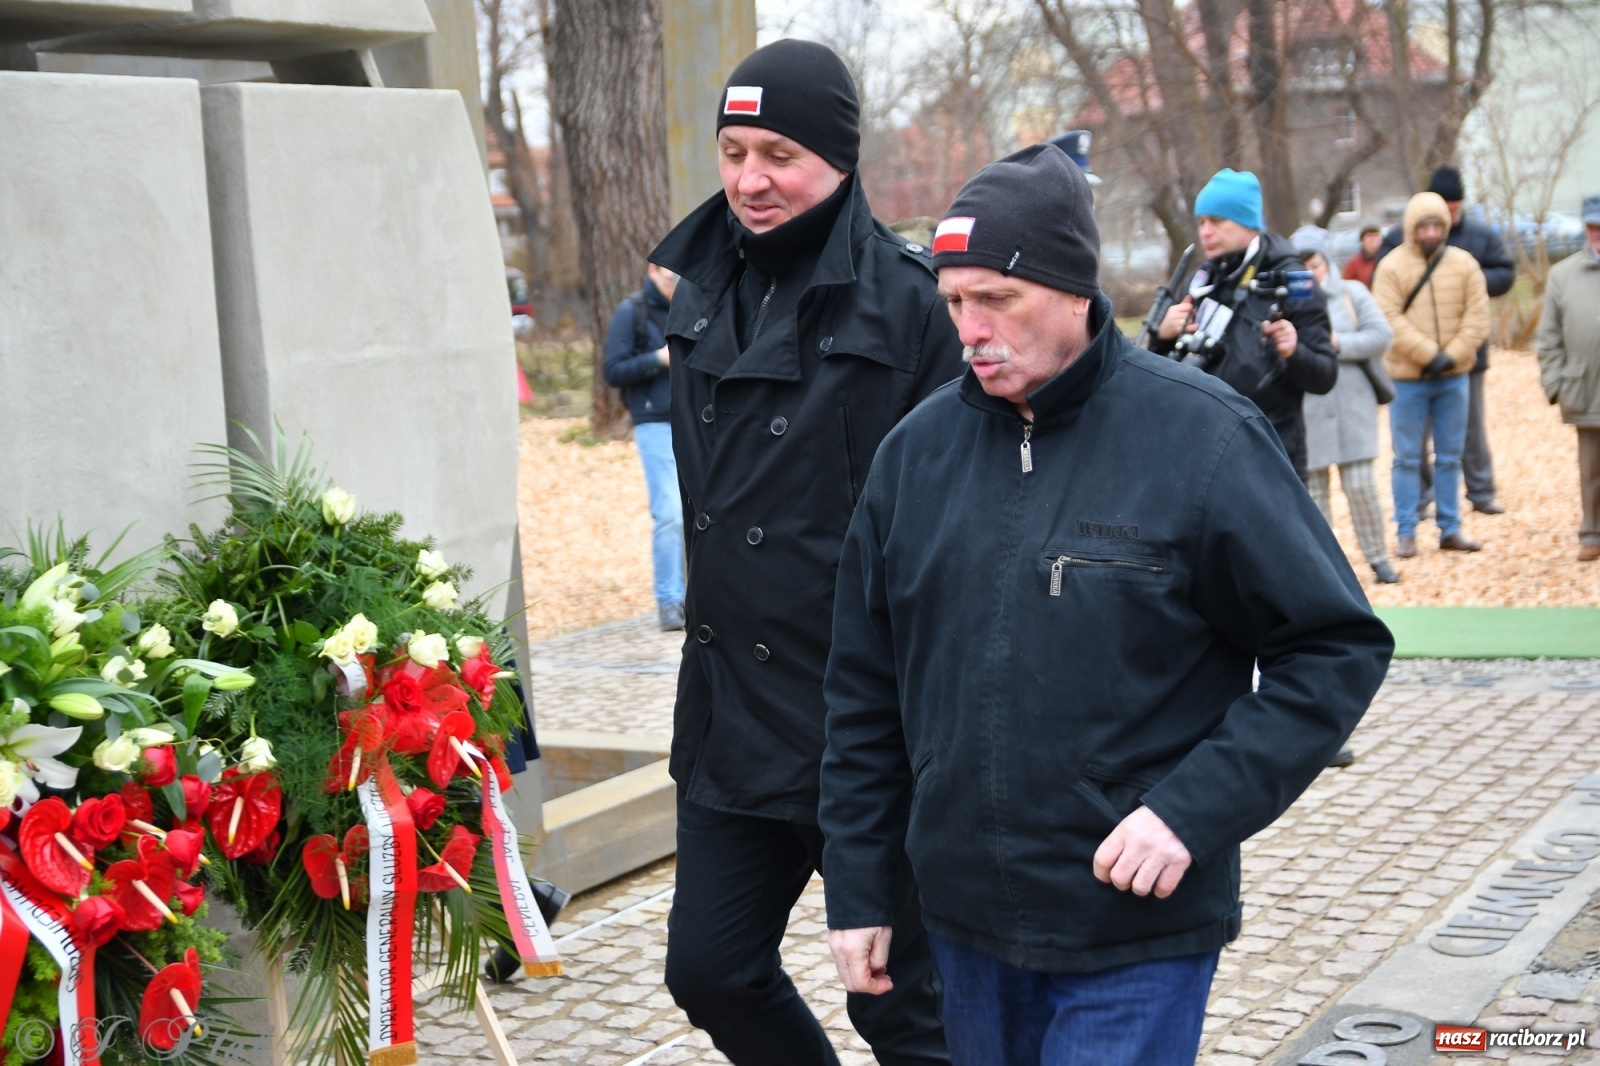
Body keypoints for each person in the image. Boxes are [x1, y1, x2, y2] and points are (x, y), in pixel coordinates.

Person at [818, 145, 1393, 1066]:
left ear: (1075, 288)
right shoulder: (913, 456)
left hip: (1135, 927)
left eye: (997, 299)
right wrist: (858, 885)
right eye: (954, 301)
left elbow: (1334, 647)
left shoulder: (1203, 436)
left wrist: (1192, 812)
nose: (970, 330)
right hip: (962, 922)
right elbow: (862, 690)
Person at [647, 38, 962, 1066]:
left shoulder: (913, 304)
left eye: (779, 154)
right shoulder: (697, 288)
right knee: (709, 969)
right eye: (734, 152)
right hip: (732, 718)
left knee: (901, 1010)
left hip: (865, 728)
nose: (750, 180)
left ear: (839, 156)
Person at [1151, 167, 1338, 478]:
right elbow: (1159, 372)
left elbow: (1325, 376)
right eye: (1201, 222)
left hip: (1270, 457)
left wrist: (1294, 352)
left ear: (1248, 223)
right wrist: (1162, 336)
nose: (1205, 232)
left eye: (1217, 221)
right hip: (1201, 454)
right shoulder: (1200, 282)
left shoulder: (1294, 281)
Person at [1377, 165, 1515, 515]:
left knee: (1469, 430)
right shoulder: (1397, 244)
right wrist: (1426, 351)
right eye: (1444, 209)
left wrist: (1464, 282)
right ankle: (1420, 499)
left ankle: (1479, 491)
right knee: (1414, 440)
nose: (1446, 219)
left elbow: (1504, 274)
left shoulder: (1478, 239)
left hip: (1464, 356)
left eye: (1454, 209)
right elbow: (1386, 303)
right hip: (1412, 363)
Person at [1372, 191, 1490, 558]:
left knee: (1450, 456)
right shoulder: (1391, 267)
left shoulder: (1465, 265)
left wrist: (1451, 355)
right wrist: (1428, 354)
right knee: (1407, 457)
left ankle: (1450, 527)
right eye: (1424, 226)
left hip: (1454, 376)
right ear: (1412, 228)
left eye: (1437, 225)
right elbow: (1388, 318)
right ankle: (1406, 529)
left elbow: (1478, 316)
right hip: (1407, 379)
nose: (1431, 233)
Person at [1290, 225, 1398, 584]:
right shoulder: (1286, 301)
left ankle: (1378, 557)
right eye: (1301, 267)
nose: (1309, 274)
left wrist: (1337, 343)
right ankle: (1324, 572)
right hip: (1309, 409)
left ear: (1328, 261)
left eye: (1315, 265)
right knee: (1314, 494)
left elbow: (1381, 336)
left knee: (1361, 485)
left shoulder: (1353, 293)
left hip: (1353, 407)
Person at [603, 263, 686, 631]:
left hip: (696, 419)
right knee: (669, 514)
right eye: (671, 278)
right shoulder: (631, 312)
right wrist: (657, 358)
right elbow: (612, 370)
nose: (676, 285)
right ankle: (670, 601)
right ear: (653, 271)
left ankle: (703, 598)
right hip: (653, 423)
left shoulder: (693, 305)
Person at [1535, 194, 1600, 562]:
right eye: (1591, 226)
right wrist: (1556, 383)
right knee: (1591, 469)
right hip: (1585, 388)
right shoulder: (1562, 275)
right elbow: (1548, 338)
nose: (1597, 233)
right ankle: (1592, 533)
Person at [1342, 222, 1383, 288]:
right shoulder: (1354, 262)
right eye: (1369, 236)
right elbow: (1346, 285)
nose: (1373, 239)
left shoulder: (1386, 258)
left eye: (1376, 235)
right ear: (1362, 240)